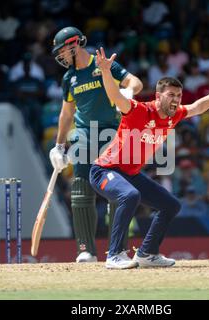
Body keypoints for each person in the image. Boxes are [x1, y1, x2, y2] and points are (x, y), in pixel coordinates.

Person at [89, 47, 209, 269]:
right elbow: (115, 96)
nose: (176, 100)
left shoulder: (174, 115)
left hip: (130, 174)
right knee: (130, 196)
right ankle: (114, 255)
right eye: (171, 95)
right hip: (104, 171)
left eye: (178, 96)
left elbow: (198, 107)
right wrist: (105, 72)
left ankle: (147, 253)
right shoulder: (138, 110)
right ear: (158, 96)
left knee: (170, 205)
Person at [49, 27, 143, 263]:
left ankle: (117, 249)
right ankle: (86, 250)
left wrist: (128, 91)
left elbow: (135, 82)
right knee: (81, 190)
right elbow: (66, 113)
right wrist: (59, 146)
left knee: (115, 191)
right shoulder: (68, 78)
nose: (60, 56)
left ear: (74, 45)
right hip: (84, 134)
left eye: (62, 50)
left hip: (112, 133)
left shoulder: (100, 64)